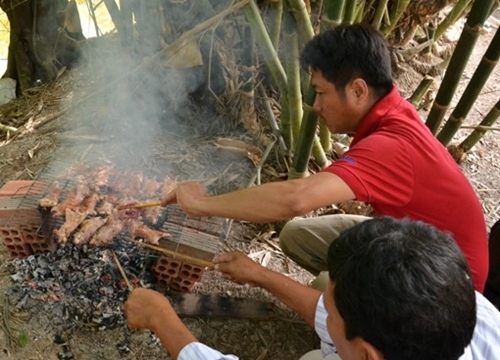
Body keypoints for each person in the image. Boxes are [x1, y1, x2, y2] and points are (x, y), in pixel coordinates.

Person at [160, 23, 489, 292]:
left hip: (445, 286)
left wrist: (202, 205)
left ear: (358, 91)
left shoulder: (391, 147)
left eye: (320, 92)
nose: (315, 106)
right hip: (414, 246)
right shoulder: (393, 111)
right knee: (296, 236)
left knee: (324, 291)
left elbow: (296, 200)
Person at [123, 217, 500, 359]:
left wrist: (161, 317)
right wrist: (262, 275)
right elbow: (330, 314)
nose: (324, 308)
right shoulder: (470, 308)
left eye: (331, 311)